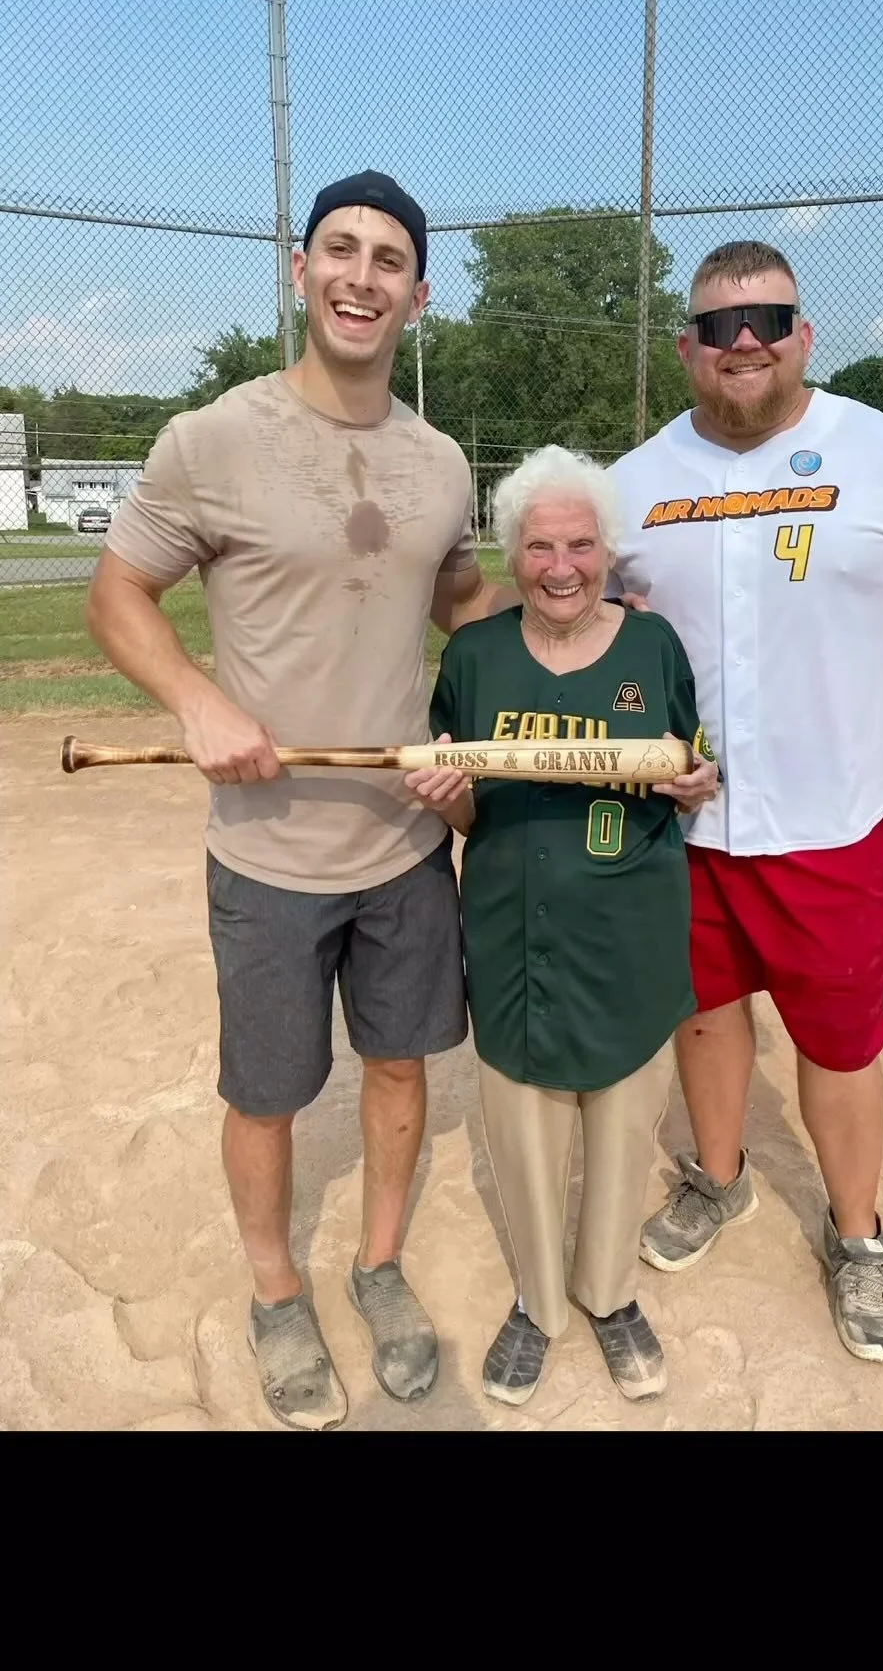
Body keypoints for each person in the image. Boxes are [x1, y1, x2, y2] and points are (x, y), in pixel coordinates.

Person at [86, 170, 517, 1430]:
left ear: (419, 296)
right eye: (342, 250)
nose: (362, 277)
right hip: (268, 851)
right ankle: (278, 1287)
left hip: (401, 838)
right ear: (299, 268)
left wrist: (577, 626)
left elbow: (456, 597)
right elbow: (121, 597)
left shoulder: (440, 461)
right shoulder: (212, 438)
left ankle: (377, 1268)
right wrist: (197, 702)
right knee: (268, 1092)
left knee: (397, 1070)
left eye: (390, 260)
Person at [608, 240, 883, 1364]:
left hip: (830, 823)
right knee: (706, 1012)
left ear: (802, 337)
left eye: (768, 319)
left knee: (839, 1042)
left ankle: (859, 1234)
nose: (745, 342)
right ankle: (718, 1180)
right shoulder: (637, 479)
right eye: (719, 325)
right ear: (684, 345)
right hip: (682, 823)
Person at [403, 445, 717, 1406]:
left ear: (607, 547)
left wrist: (700, 784)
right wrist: (446, 797)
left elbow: (690, 774)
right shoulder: (475, 656)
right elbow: (464, 813)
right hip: (514, 929)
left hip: (631, 927)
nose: (562, 566)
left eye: (581, 544)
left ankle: (610, 1294)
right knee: (527, 1128)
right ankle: (539, 1302)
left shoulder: (653, 648)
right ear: (513, 552)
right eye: (540, 546)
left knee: (624, 1126)